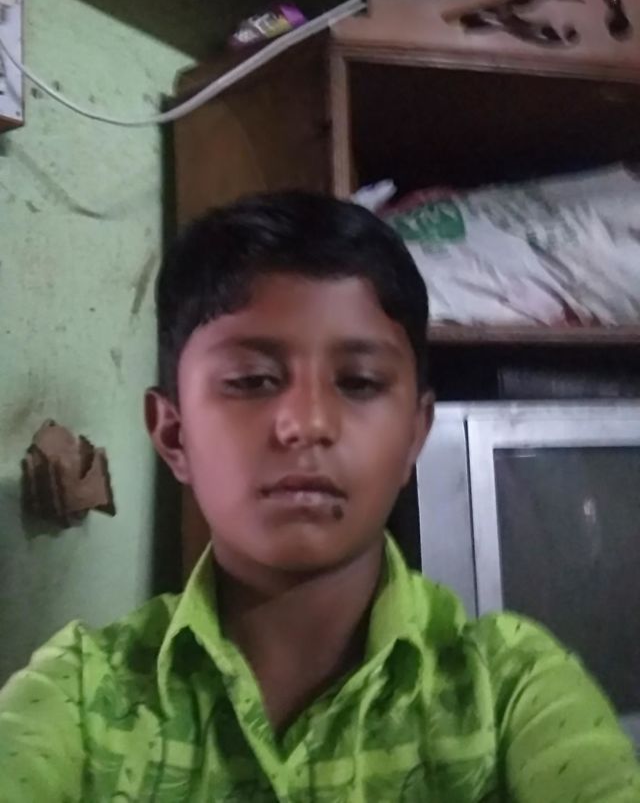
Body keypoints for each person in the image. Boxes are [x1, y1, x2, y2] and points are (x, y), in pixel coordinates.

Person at [0, 193, 638, 803]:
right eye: (252, 380)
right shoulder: (81, 696)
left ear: (415, 434)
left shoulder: (509, 689)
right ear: (173, 435)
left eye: (358, 382)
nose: (306, 423)